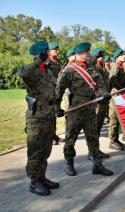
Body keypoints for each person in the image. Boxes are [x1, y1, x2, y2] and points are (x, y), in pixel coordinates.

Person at [55, 42, 113, 177]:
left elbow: (100, 83)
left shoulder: (92, 69)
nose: (89, 54)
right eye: (87, 52)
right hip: (76, 109)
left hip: (91, 108)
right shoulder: (69, 70)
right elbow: (59, 89)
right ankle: (69, 163)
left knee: (93, 137)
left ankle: (97, 165)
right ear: (82, 54)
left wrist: (104, 93)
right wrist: (57, 107)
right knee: (71, 138)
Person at [18, 41, 59, 196]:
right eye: (47, 52)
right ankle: (34, 182)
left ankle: (42, 177)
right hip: (36, 118)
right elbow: (22, 73)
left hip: (48, 115)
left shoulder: (48, 70)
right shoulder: (32, 70)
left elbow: (52, 92)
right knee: (35, 151)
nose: (49, 54)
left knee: (45, 150)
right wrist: (37, 61)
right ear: (41, 53)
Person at [108, 49, 125, 150]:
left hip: (120, 95)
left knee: (119, 119)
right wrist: (121, 88)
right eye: (122, 55)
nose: (124, 56)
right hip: (115, 95)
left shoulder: (121, 66)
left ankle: (116, 139)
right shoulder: (115, 66)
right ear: (117, 56)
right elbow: (112, 79)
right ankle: (112, 141)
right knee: (114, 119)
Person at [89, 48, 110, 160]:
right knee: (93, 129)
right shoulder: (92, 68)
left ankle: (96, 150)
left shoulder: (102, 69)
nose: (102, 58)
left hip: (103, 102)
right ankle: (91, 152)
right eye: (100, 56)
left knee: (98, 128)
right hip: (97, 101)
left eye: (102, 56)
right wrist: (94, 56)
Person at [46, 42, 64, 145]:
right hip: (50, 91)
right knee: (50, 115)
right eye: (55, 50)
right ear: (50, 51)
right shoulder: (48, 63)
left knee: (55, 114)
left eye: (57, 49)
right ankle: (50, 137)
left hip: (58, 91)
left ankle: (54, 135)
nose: (57, 51)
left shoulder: (58, 62)